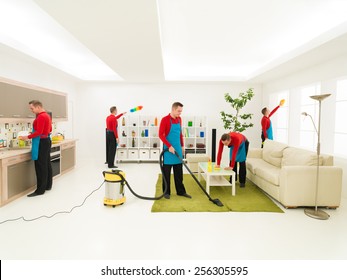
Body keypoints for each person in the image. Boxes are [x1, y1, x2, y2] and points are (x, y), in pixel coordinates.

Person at [19, 100, 53, 197]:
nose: (31, 110)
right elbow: (49, 129)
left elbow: (39, 132)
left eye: (32, 108)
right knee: (46, 164)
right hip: (46, 141)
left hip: (41, 143)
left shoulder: (41, 116)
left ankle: (40, 190)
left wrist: (27, 137)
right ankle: (47, 186)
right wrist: (33, 134)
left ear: (38, 107)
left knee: (40, 166)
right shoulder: (47, 115)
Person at [159, 102, 192, 199]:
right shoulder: (165, 120)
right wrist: (169, 146)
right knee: (166, 173)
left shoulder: (179, 119)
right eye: (178, 111)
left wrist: (182, 146)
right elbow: (161, 135)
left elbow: (180, 134)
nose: (180, 113)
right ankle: (166, 192)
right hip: (168, 150)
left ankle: (181, 191)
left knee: (179, 173)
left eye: (181, 111)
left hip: (177, 149)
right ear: (173, 109)